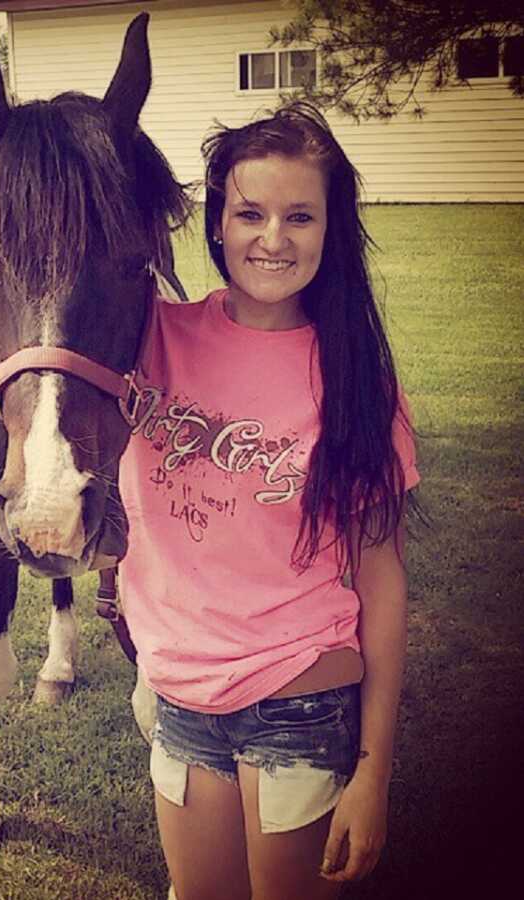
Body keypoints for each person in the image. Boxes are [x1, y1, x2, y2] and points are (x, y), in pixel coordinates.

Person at [118, 102, 419, 899]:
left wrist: (374, 772)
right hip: (183, 694)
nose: (273, 239)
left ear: (331, 229)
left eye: (300, 216)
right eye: (249, 212)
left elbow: (382, 578)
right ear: (217, 221)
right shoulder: (148, 337)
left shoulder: (355, 379)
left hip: (302, 697)